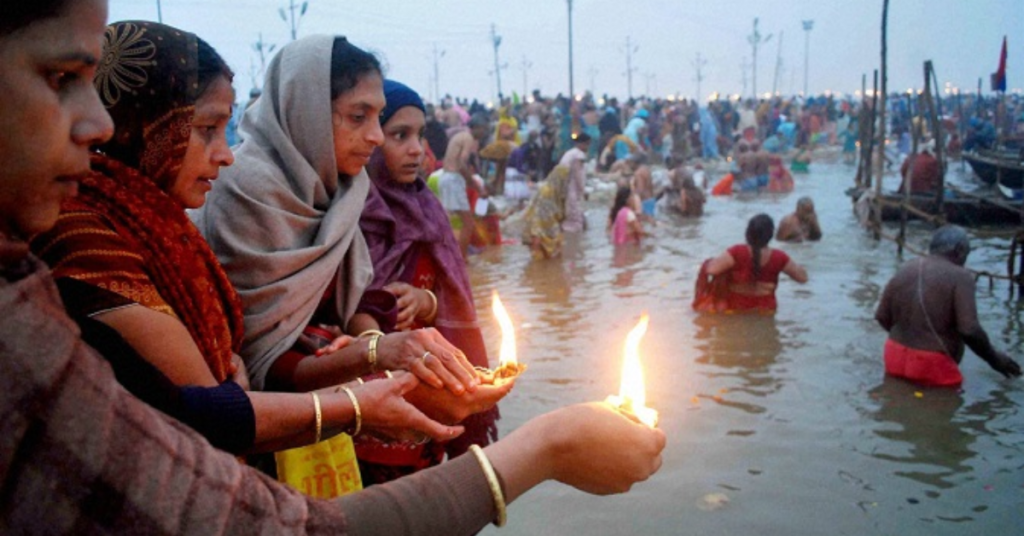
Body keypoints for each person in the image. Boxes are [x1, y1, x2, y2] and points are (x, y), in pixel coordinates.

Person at [0, 3, 665, 533]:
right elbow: (209, 404)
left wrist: (393, 342)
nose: (95, 123)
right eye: (60, 79)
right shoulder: (106, 241)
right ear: (308, 120)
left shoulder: (301, 203)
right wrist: (363, 391)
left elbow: (284, 341)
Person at [192, 36, 479, 399]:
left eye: (378, 117)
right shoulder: (243, 190)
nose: (375, 136)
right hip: (251, 415)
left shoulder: (344, 190)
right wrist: (373, 353)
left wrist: (373, 339)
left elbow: (354, 302)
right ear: (305, 112)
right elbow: (257, 354)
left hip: (330, 396)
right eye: (358, 117)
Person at [356, 80, 503, 483]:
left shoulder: (428, 209)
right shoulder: (344, 217)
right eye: (399, 135)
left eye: (420, 135)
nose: (417, 149)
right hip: (363, 407)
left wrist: (426, 302)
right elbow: (332, 312)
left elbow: (452, 295)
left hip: (431, 393)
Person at [874, 226, 1021, 387]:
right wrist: (995, 359)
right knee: (943, 408)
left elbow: (881, 316)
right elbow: (969, 329)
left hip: (894, 355)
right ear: (959, 250)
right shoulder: (961, 276)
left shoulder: (906, 268)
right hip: (933, 365)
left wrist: (911, 341)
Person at [704, 214, 808, 312]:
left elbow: (711, 270)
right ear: (770, 235)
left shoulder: (737, 252)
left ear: (748, 233)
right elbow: (803, 278)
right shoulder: (779, 257)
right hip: (766, 311)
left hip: (737, 310)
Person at [441, 113, 490, 257]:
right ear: (477, 127)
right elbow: (461, 164)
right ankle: (462, 260)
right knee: (468, 223)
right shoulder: (468, 138)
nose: (485, 133)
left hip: (446, 178)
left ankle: (451, 255)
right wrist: (478, 188)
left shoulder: (460, 136)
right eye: (484, 129)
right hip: (453, 179)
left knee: (448, 221)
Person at [521, 166, 571, 259]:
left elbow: (559, 212)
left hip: (548, 227)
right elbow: (539, 217)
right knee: (539, 257)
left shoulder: (557, 192)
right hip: (539, 230)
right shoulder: (546, 191)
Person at [559, 131, 590, 232]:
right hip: (571, 190)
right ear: (582, 143)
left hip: (564, 189)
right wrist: (583, 191)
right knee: (576, 222)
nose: (588, 147)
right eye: (587, 144)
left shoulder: (570, 153)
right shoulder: (578, 155)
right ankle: (573, 243)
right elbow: (578, 175)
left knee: (570, 217)